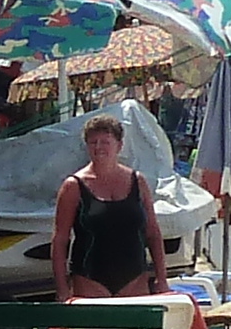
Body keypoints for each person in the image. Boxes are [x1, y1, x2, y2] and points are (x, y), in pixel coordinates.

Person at [51, 115, 168, 298]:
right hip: (90, 279)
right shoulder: (73, 186)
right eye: (93, 142)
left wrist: (162, 278)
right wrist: (62, 288)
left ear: (119, 146)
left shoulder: (138, 181)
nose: (98, 147)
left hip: (135, 279)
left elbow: (152, 232)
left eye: (105, 142)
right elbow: (60, 239)